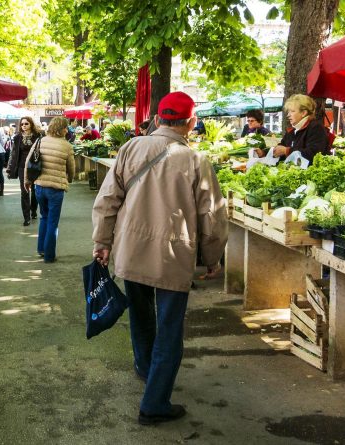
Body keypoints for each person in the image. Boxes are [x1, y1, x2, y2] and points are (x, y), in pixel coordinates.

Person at [92, 92, 229, 426]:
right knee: (169, 330)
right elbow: (212, 216)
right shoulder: (196, 161)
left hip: (131, 250)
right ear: (191, 123)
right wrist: (212, 258)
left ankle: (144, 367)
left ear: (157, 119)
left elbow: (108, 198)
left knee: (141, 316)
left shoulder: (130, 148)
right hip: (172, 255)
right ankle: (154, 403)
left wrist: (102, 242)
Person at [23, 116, 75, 263]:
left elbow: (28, 161)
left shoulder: (40, 141)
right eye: (66, 127)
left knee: (44, 217)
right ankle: (49, 255)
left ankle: (41, 249)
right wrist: (69, 179)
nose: (67, 129)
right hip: (56, 189)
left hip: (39, 186)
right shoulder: (67, 146)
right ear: (62, 129)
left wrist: (27, 180)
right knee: (53, 221)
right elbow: (71, 168)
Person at [273, 94, 331, 165]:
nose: (288, 115)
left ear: (303, 113)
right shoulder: (292, 131)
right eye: (288, 112)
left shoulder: (316, 128)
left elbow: (313, 154)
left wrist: (287, 151)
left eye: (292, 111)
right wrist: (263, 152)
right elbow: (281, 146)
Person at [7, 116, 42, 226]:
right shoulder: (17, 137)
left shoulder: (38, 136)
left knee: (35, 191)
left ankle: (33, 210)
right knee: (24, 192)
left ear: (31, 124)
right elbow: (13, 153)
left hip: (35, 167)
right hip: (22, 167)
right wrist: (10, 168)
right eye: (22, 124)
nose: (24, 126)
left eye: (26, 123)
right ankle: (26, 217)